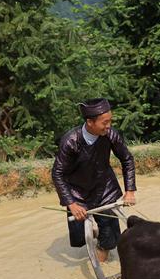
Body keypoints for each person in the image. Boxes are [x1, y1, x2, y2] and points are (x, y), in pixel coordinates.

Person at [51, 98, 136, 263]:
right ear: (90, 122)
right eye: (105, 122)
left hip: (105, 189)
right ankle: (96, 233)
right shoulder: (70, 141)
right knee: (79, 240)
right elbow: (57, 173)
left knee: (110, 239)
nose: (109, 125)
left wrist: (130, 191)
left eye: (110, 121)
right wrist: (72, 203)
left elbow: (127, 160)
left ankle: (102, 254)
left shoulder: (111, 135)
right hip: (77, 193)